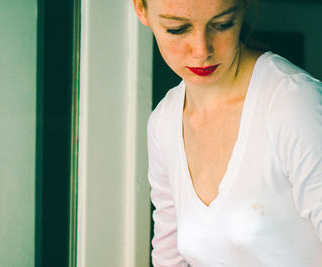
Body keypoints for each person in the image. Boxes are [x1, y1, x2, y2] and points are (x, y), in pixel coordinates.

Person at [132, 0, 322, 266]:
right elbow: (168, 257)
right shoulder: (163, 122)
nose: (201, 51)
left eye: (222, 25)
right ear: (141, 9)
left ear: (244, 7)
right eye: (177, 29)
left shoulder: (293, 104)